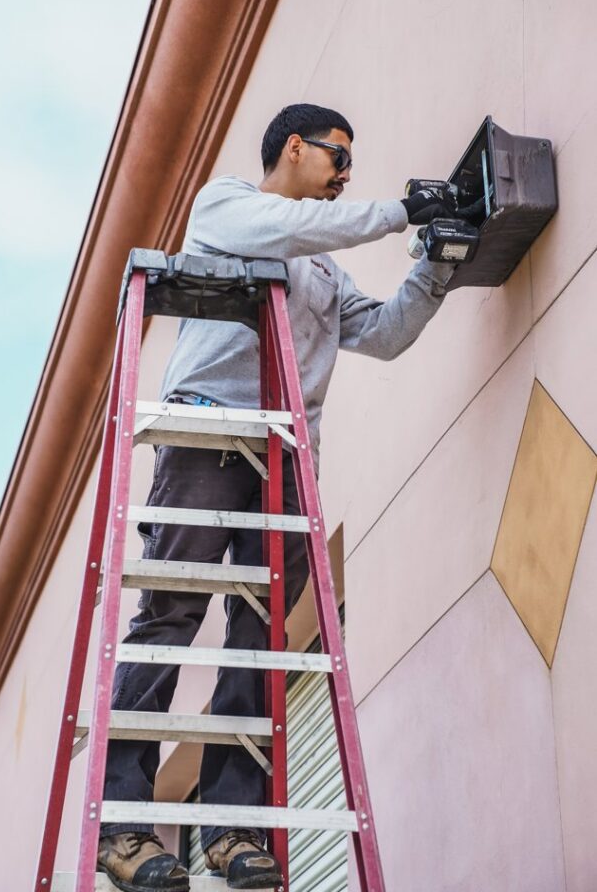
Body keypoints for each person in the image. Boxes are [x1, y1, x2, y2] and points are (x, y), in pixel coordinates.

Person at [97, 104, 457, 892]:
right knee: (169, 615)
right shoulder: (225, 206)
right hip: (207, 435)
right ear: (293, 148)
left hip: (286, 462)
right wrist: (401, 209)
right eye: (337, 157)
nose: (344, 174)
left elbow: (387, 333)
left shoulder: (322, 270)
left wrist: (436, 256)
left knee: (257, 644)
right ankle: (122, 827)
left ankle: (229, 831)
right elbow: (298, 228)